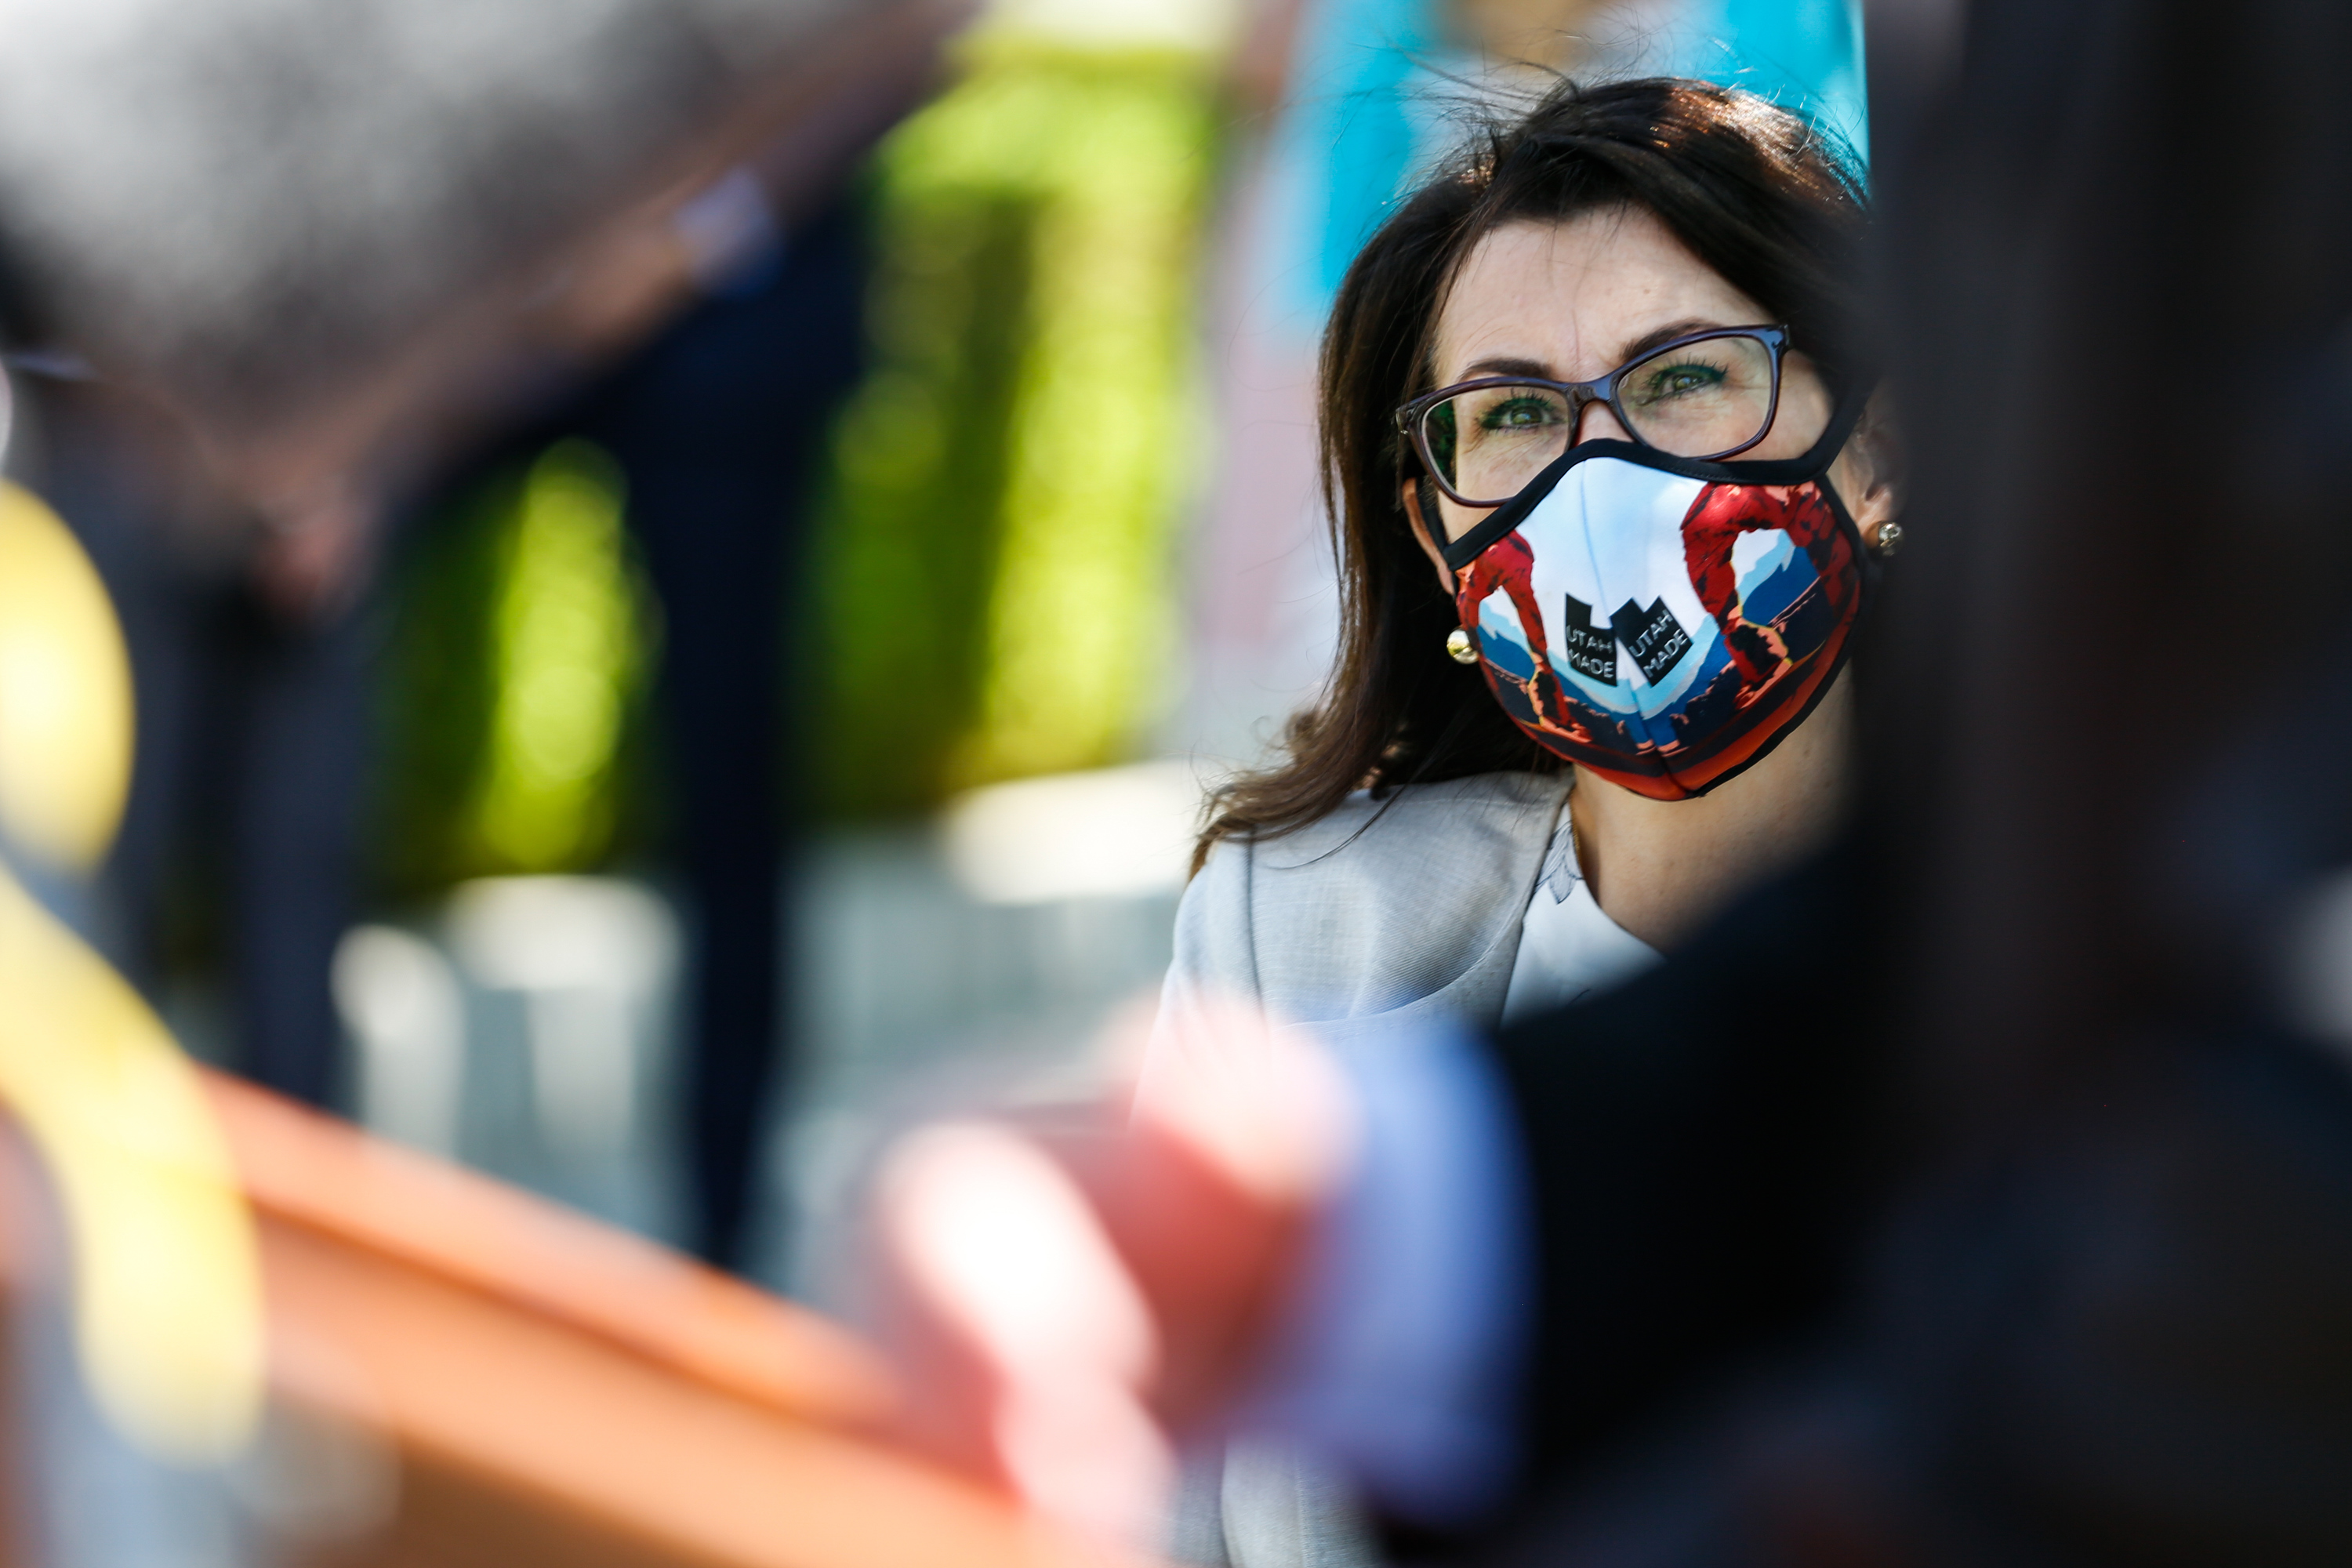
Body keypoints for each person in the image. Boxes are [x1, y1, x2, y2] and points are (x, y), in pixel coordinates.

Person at [1152, 76, 1898, 1564]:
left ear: (1885, 446)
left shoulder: (2088, 951)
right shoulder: (1289, 931)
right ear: (1436, 534)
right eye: (1510, 414)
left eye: (1686, 376)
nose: (1594, 477)